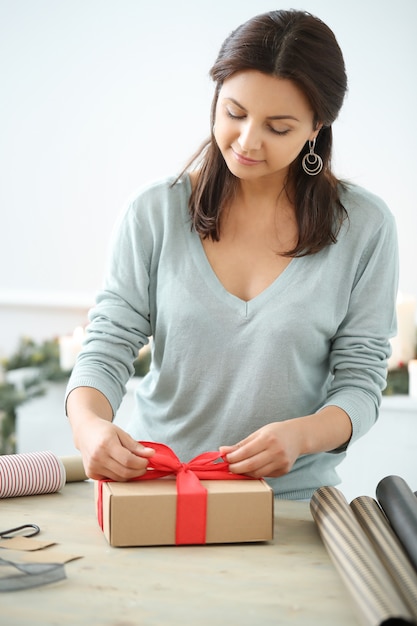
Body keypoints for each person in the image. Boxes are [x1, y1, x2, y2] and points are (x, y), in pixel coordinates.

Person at [66, 9, 398, 500]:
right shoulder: (154, 212)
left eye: (278, 127)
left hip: (289, 504)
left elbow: (361, 381)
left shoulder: (365, 227)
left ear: (317, 126)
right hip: (158, 490)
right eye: (234, 113)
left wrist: (302, 435)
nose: (246, 142)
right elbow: (109, 343)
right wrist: (89, 426)